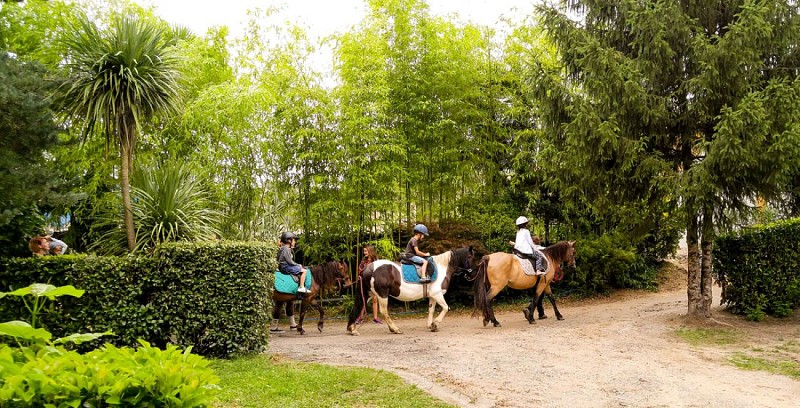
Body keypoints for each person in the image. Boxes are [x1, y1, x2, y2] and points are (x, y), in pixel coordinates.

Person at [357, 245, 382, 324]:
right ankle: (360, 317)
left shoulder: (376, 261)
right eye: (364, 251)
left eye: (366, 251)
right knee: (364, 300)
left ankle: (375, 318)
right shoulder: (363, 260)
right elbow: (360, 270)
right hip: (365, 282)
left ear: (370, 251)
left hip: (373, 283)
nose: (364, 253)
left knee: (375, 299)